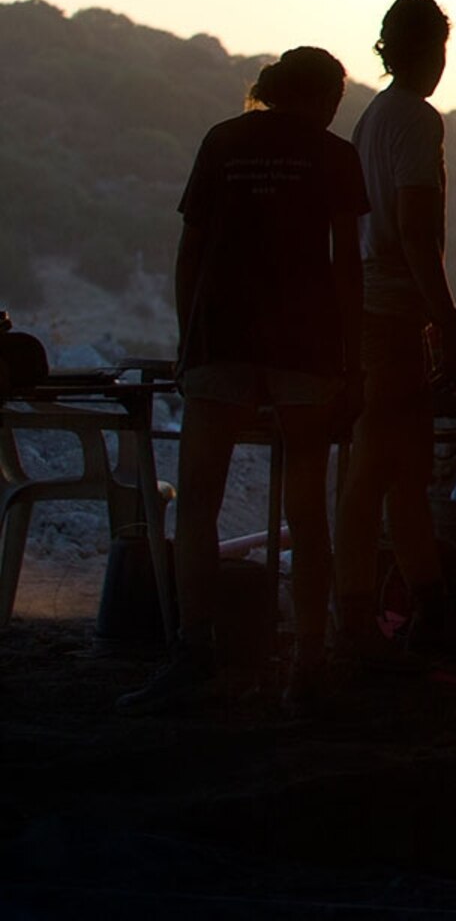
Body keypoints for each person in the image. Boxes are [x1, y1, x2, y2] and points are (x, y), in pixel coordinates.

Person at [120, 47, 367, 715]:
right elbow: (347, 263)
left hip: (221, 337)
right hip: (305, 346)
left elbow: (190, 249)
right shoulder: (335, 155)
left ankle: (194, 651)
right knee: (307, 505)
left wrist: (186, 339)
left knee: (198, 500)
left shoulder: (223, 139)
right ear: (326, 99)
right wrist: (355, 356)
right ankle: (309, 662)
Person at [338, 0, 456, 663]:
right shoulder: (416, 120)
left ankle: (422, 608)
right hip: (391, 317)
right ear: (433, 51)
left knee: (392, 473)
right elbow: (417, 231)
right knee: (382, 475)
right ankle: (363, 619)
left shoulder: (373, 117)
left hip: (370, 310)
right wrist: (445, 322)